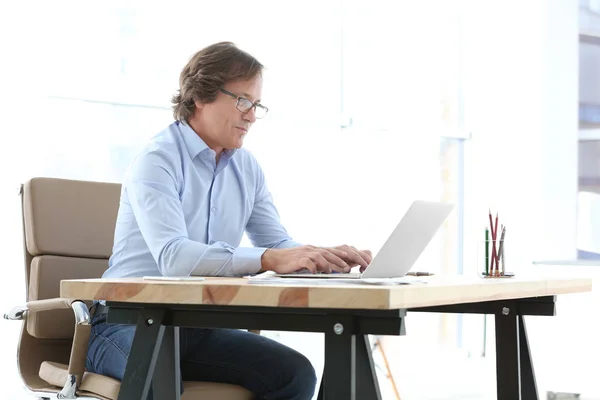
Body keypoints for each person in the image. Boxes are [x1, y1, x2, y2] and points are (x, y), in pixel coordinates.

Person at [86, 41, 372, 400]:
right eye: (243, 101)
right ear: (200, 97)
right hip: (126, 324)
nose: (251, 115)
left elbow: (278, 244)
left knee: (294, 374)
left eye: (256, 105)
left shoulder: (246, 167)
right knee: (157, 376)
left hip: (198, 327)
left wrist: (320, 258)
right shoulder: (157, 161)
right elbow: (174, 258)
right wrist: (267, 259)